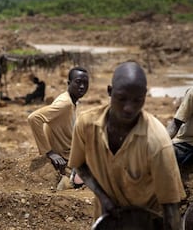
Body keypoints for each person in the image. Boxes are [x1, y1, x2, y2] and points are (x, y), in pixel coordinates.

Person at [68, 61, 185, 229]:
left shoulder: (157, 142)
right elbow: (79, 165)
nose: (129, 108)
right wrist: (103, 198)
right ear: (110, 91)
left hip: (146, 222)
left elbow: (171, 207)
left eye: (137, 100)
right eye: (121, 98)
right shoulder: (86, 125)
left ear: (145, 95)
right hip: (106, 217)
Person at [27, 67, 89, 189]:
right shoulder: (64, 103)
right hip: (66, 155)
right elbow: (34, 118)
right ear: (69, 83)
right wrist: (49, 152)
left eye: (85, 83)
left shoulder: (71, 101)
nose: (82, 86)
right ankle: (70, 181)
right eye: (78, 82)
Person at [167, 87, 193, 166]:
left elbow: (175, 124)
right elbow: (176, 124)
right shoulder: (192, 93)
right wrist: (159, 143)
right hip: (187, 145)